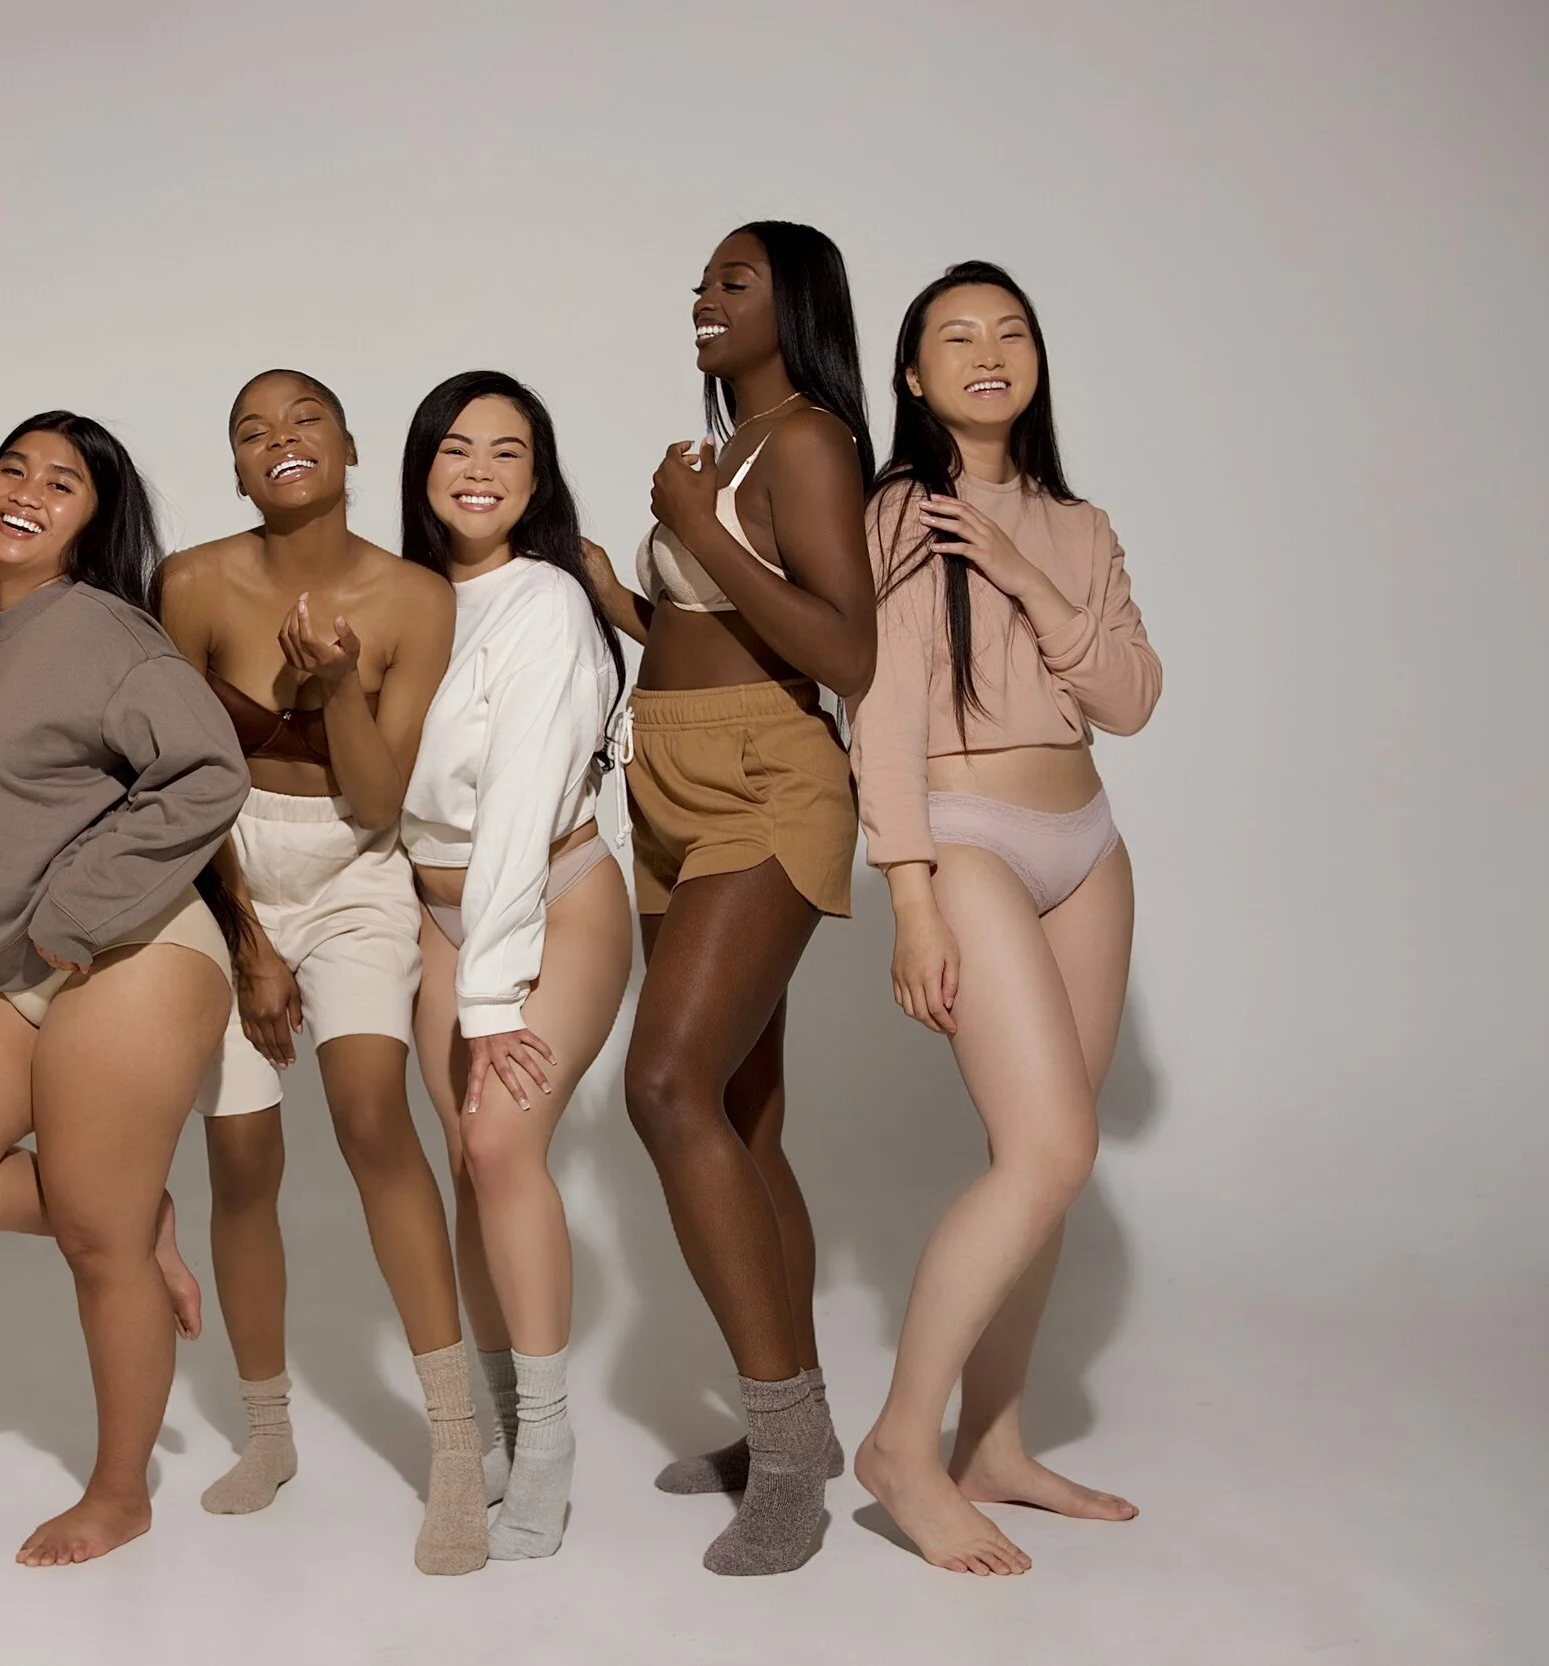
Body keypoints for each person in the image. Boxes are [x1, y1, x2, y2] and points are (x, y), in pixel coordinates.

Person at [0, 411, 249, 1568]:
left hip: (131, 951)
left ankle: (120, 1489)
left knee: (95, 1244)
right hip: (13, 960)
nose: (27, 491)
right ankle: (132, 1207)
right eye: (13, 467)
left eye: (62, 482)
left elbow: (208, 771)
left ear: (93, 518)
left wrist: (79, 908)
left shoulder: (102, 632)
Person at [846, 261, 1159, 1575]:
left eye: (1010, 329)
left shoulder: (1079, 524)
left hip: (1086, 842)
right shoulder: (899, 513)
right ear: (912, 376)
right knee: (1045, 1151)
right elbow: (884, 713)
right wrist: (910, 895)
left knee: (1053, 1164)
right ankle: (903, 1446)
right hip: (967, 838)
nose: (987, 350)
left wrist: (1032, 572)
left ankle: (996, 1439)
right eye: (953, 336)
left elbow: (1133, 697)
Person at [578, 221, 877, 1575]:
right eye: (700, 279)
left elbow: (844, 647)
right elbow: (707, 630)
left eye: (734, 281)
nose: (703, 298)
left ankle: (793, 1452)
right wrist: (621, 592)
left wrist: (697, 527)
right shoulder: (724, 448)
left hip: (767, 776)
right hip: (667, 778)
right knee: (744, 1118)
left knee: (664, 1086)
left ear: (794, 303)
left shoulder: (808, 440)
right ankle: (781, 1433)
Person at [157, 369, 489, 1576]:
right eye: (251, 432)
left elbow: (377, 797)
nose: (279, 441)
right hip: (225, 871)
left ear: (348, 446)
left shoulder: (412, 595)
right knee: (240, 1156)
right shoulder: (192, 583)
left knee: (369, 1114)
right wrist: (246, 944)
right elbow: (178, 788)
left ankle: (455, 1447)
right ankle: (269, 1433)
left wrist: (339, 682)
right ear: (235, 469)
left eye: (302, 421)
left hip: (354, 870)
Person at [397, 371, 634, 1560]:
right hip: (443, 917)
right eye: (455, 446)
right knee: (463, 1162)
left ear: (536, 478)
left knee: (501, 1142)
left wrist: (488, 1002)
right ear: (421, 467)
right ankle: (492, 1423)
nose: (478, 468)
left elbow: (514, 817)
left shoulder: (543, 599)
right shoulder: (404, 600)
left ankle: (545, 1441)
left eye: (507, 450)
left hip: (558, 900)